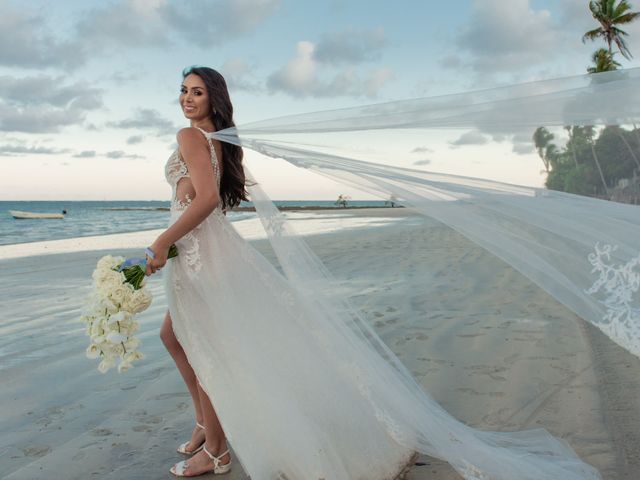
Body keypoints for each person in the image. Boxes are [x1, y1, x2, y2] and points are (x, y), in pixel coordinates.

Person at [145, 66, 602, 480]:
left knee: (206, 349)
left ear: (213, 99)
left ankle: (218, 453)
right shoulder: (218, 140)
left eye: (197, 92)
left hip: (200, 252)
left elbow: (204, 200)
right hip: (207, 250)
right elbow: (204, 198)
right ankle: (205, 423)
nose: (187, 99)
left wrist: (164, 241)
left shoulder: (192, 138)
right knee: (178, 336)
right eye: (183, 90)